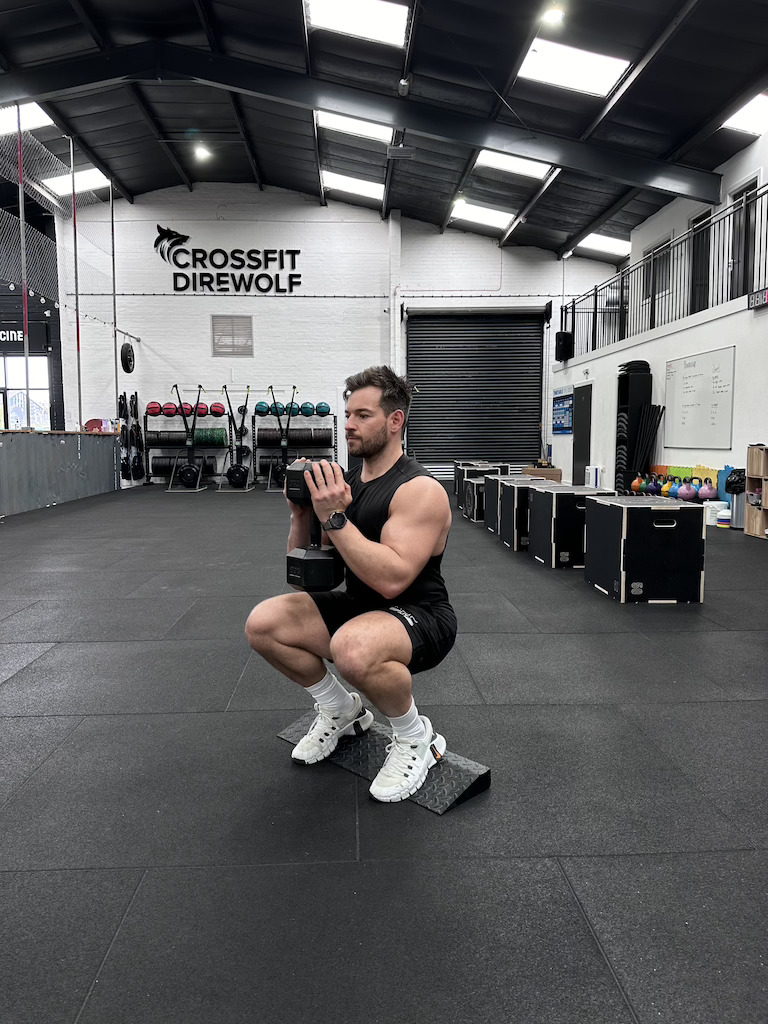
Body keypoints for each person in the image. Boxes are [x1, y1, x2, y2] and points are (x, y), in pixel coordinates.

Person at [245, 365, 457, 803]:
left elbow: (394, 579)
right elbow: (313, 576)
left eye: (362, 415)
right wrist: (302, 513)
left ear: (395, 421)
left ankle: (417, 737)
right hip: (360, 606)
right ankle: (341, 709)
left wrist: (334, 517)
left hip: (419, 615)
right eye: (347, 414)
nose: (348, 425)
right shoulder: (347, 484)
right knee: (264, 624)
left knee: (352, 649)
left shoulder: (419, 490)